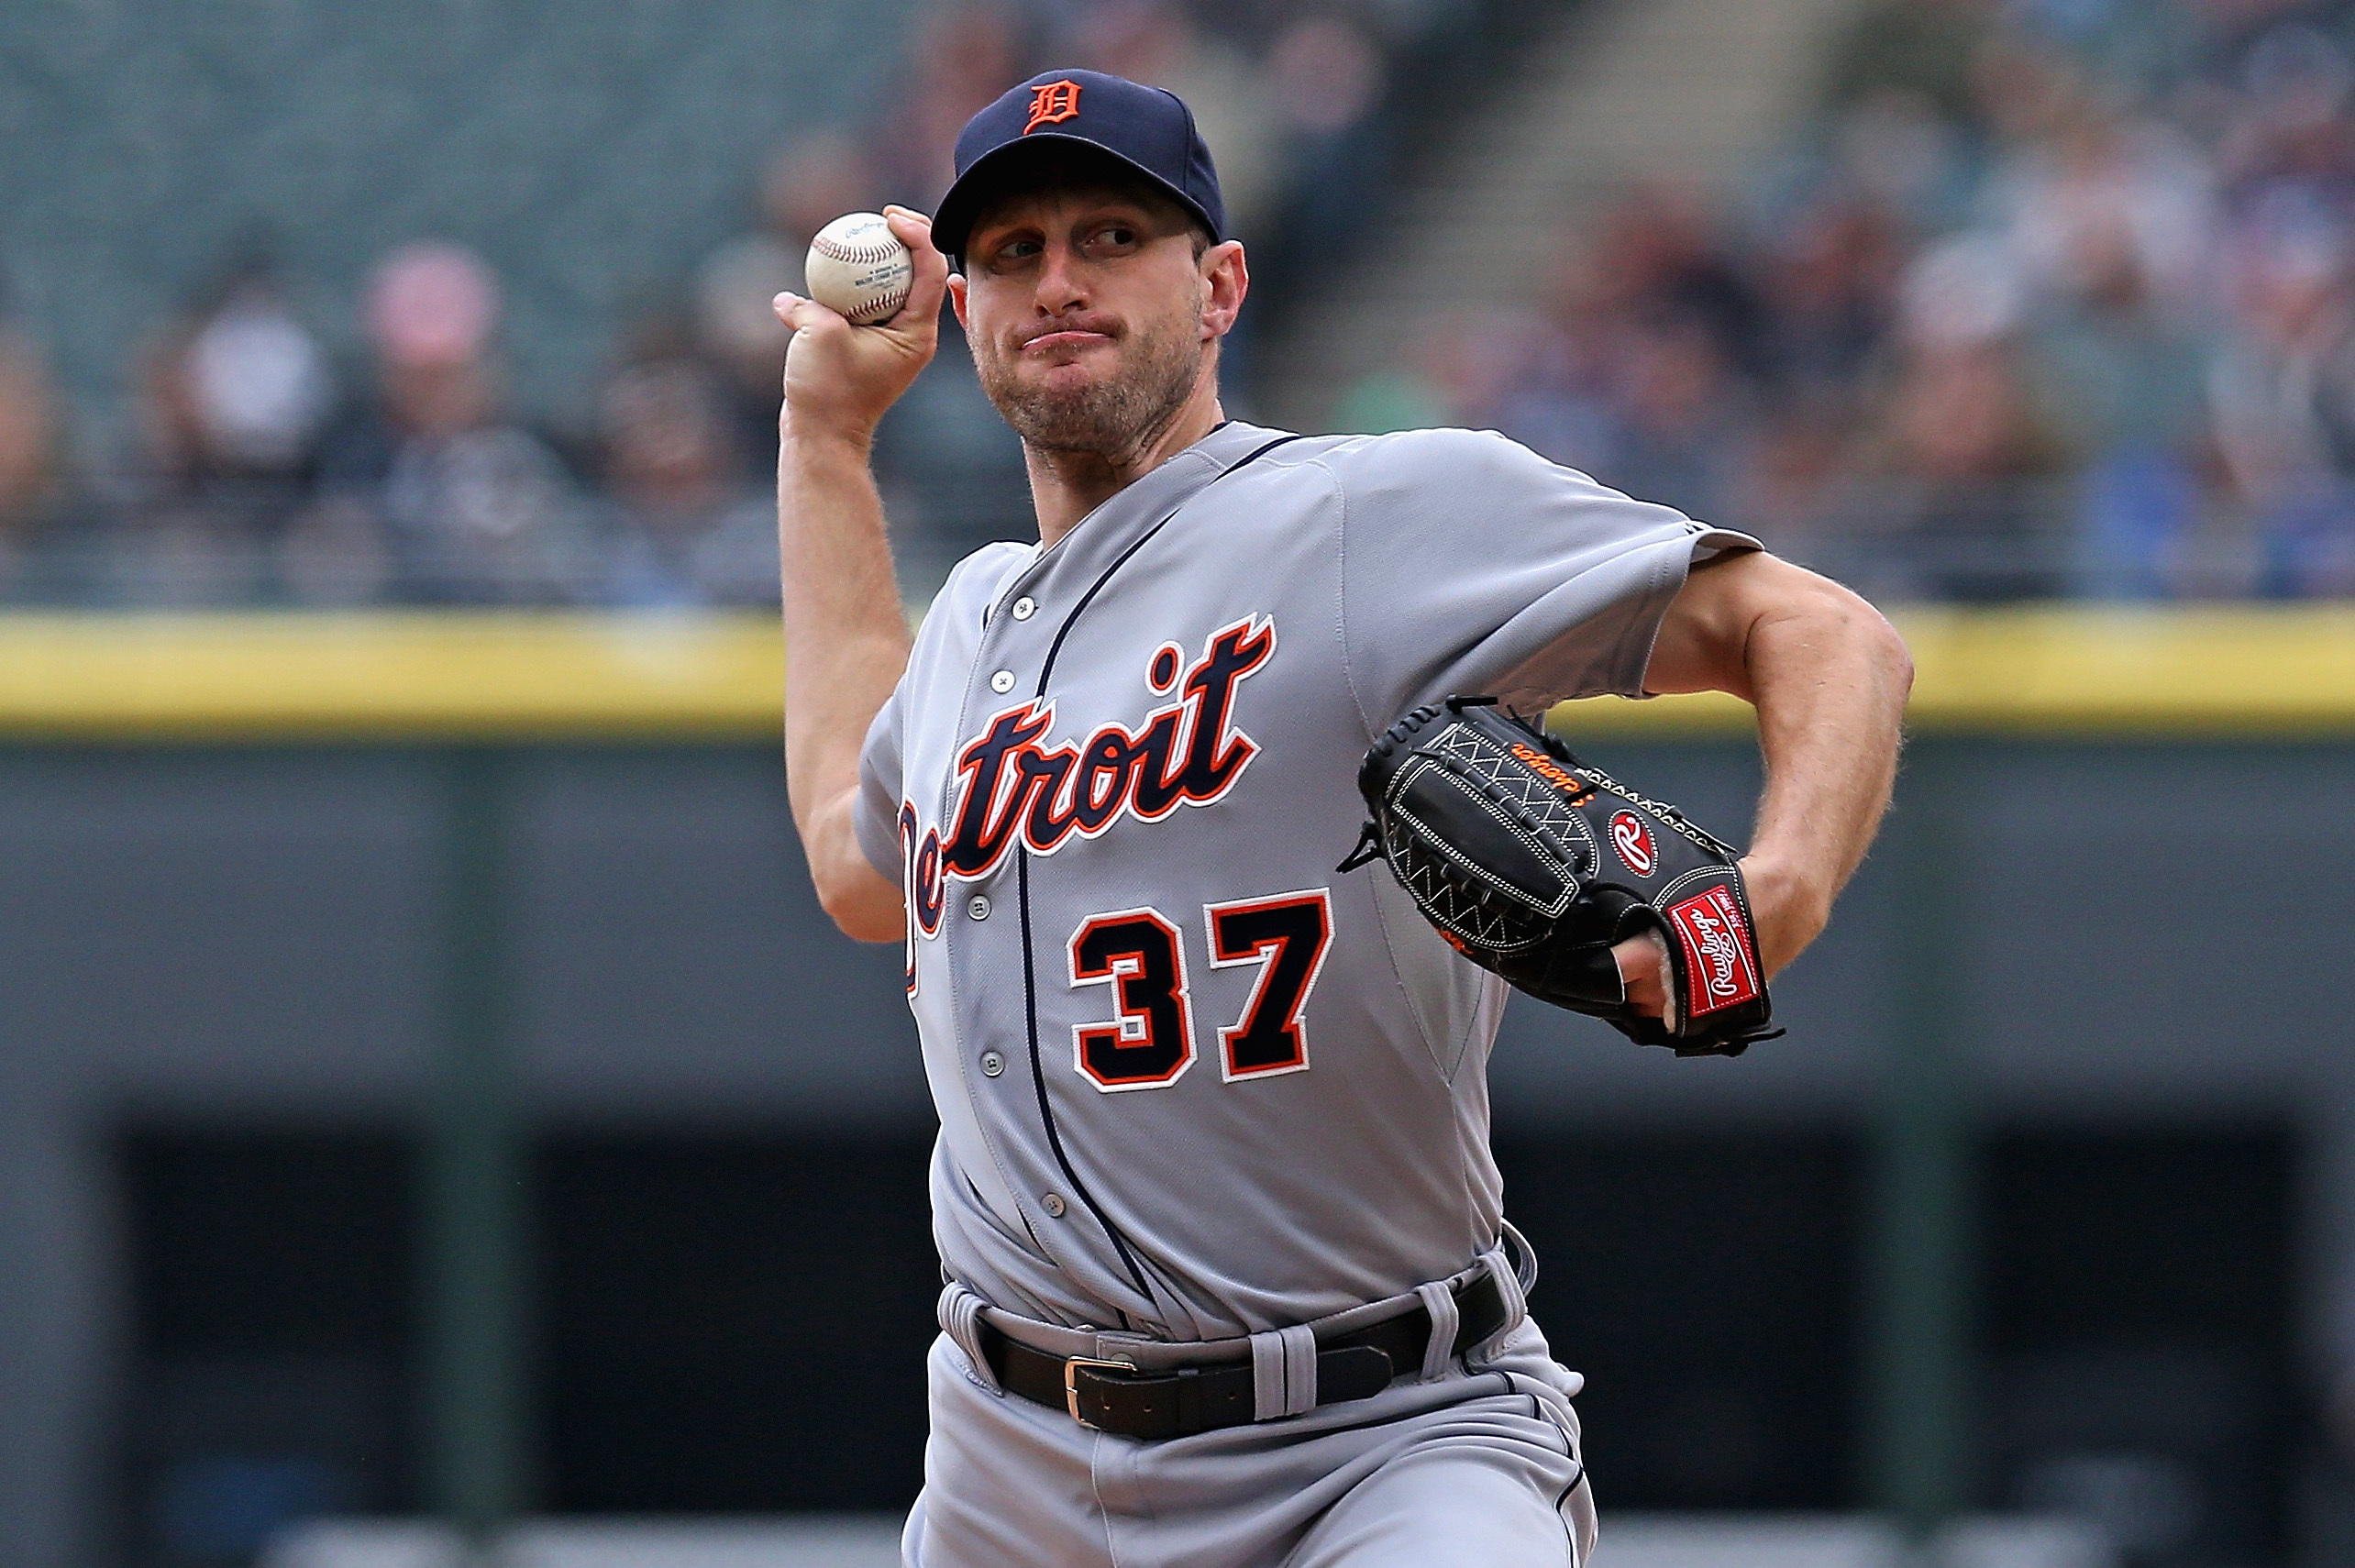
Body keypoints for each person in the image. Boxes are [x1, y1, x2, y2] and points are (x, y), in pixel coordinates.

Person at [773, 70, 1912, 1568]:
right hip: (1012, 1465)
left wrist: (1785, 881)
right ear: (968, 305)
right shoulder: (978, 614)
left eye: (1115, 236)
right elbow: (860, 864)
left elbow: (1824, 633)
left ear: (1221, 282)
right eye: (1013, 252)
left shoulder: (1373, 516)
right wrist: (822, 445)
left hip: (1377, 1435)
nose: (1059, 281)